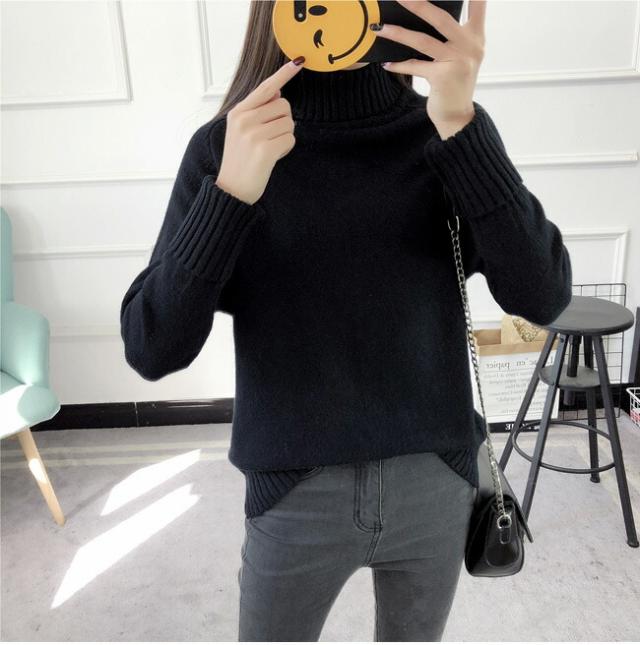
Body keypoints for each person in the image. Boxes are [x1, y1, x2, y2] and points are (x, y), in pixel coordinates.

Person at [120, 1, 572, 640]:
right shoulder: (231, 145)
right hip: (294, 490)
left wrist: (461, 126)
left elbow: (544, 296)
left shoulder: (446, 129)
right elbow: (152, 346)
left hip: (436, 478)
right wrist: (230, 196)